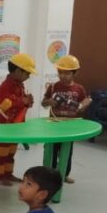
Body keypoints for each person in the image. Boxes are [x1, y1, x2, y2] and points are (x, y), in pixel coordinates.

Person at [41, 54, 91, 183]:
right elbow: (43, 102)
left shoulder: (79, 89)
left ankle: (63, 173)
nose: (62, 76)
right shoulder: (53, 87)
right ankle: (48, 173)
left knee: (67, 151)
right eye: (60, 72)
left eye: (67, 73)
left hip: (70, 126)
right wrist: (49, 102)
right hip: (54, 125)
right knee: (51, 149)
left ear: (75, 73)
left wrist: (83, 106)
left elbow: (83, 104)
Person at [0, 53, 36, 185]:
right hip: (4, 125)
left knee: (11, 152)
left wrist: (28, 101)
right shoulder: (6, 85)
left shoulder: (20, 84)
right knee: (2, 153)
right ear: (18, 71)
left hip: (15, 125)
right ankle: (0, 177)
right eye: (27, 73)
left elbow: (20, 102)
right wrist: (20, 100)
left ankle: (8, 174)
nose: (29, 76)